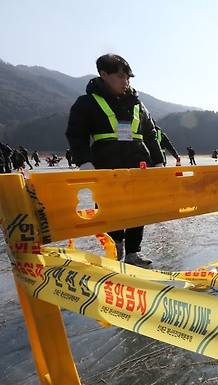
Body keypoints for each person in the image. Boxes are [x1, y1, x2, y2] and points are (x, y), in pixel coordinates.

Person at [65, 53, 164, 267]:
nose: (125, 81)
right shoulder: (87, 103)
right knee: (111, 208)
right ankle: (116, 245)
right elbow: (76, 134)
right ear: (103, 74)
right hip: (105, 165)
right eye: (120, 76)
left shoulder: (138, 105)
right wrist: (85, 162)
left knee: (139, 208)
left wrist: (159, 162)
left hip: (139, 165)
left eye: (128, 77)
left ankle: (133, 252)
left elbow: (151, 134)